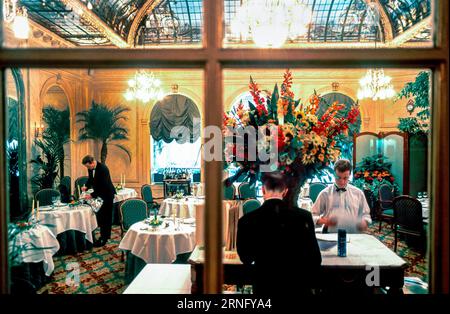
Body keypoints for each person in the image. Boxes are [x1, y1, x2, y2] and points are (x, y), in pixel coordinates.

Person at [236, 172, 322, 294]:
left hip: (265, 287)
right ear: (285, 191)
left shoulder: (247, 220)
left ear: (263, 190)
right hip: (297, 287)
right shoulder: (304, 217)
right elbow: (315, 259)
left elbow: (246, 258)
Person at [311, 159, 372, 233]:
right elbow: (312, 216)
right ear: (334, 174)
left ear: (349, 175)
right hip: (330, 235)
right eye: (338, 177)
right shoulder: (325, 194)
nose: (342, 182)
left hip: (354, 235)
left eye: (345, 178)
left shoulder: (358, 193)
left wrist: (364, 222)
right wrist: (324, 221)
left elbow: (366, 215)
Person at [81, 155, 116, 247]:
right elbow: (91, 179)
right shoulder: (91, 168)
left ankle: (105, 238)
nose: (88, 168)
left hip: (107, 194)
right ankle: (102, 236)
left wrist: (91, 195)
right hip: (100, 194)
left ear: (92, 162)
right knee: (101, 216)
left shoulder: (103, 169)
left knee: (106, 217)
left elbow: (103, 186)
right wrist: (86, 187)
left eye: (88, 166)